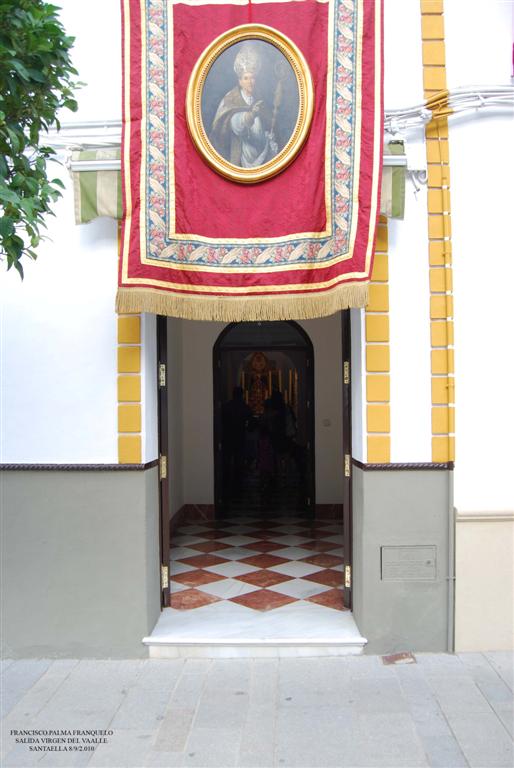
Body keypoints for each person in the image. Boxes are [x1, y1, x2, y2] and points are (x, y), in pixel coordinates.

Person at [210, 44, 279, 168]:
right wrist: (249, 116)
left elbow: (267, 123)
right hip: (240, 154)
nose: (250, 82)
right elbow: (232, 123)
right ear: (240, 81)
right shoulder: (231, 98)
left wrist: (269, 135)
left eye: (252, 78)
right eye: (246, 78)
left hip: (261, 153)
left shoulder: (259, 97)